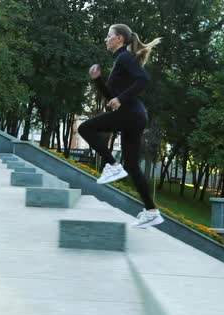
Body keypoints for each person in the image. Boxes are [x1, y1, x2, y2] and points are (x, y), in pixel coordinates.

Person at [78, 23, 163, 229]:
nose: (106, 39)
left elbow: (143, 79)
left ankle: (112, 165)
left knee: (84, 128)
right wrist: (98, 80)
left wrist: (121, 98)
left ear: (119, 39)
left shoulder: (124, 57)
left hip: (131, 114)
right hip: (135, 115)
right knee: (132, 166)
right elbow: (110, 96)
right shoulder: (120, 60)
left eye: (109, 36)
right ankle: (152, 212)